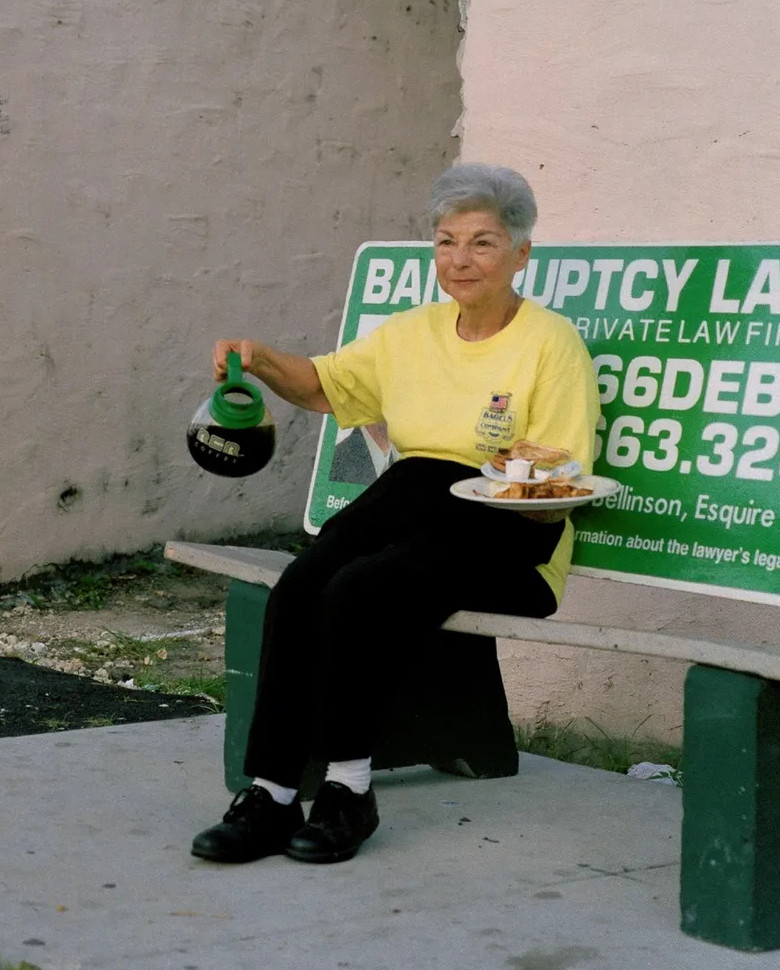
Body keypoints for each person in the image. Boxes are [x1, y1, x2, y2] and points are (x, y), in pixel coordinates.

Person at [192, 164, 599, 866]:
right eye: (446, 242)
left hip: (512, 534)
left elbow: (556, 481)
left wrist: (510, 487)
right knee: (300, 585)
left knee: (360, 590)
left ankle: (349, 792)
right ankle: (272, 792)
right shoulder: (411, 333)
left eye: (482, 243)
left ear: (521, 254)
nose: (461, 260)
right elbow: (322, 384)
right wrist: (258, 361)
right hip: (414, 502)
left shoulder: (550, 343)